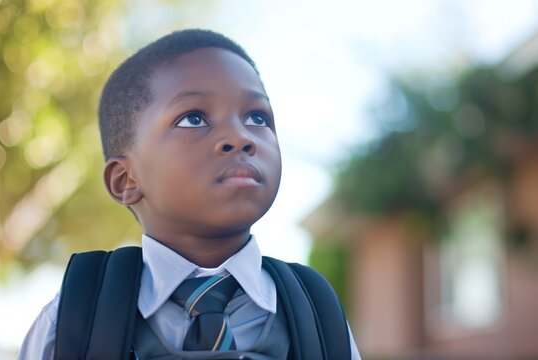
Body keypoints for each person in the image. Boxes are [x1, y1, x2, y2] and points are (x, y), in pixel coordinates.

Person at [19, 29, 361, 359]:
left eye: (256, 116)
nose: (240, 137)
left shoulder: (317, 314)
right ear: (125, 180)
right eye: (194, 119)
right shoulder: (72, 318)